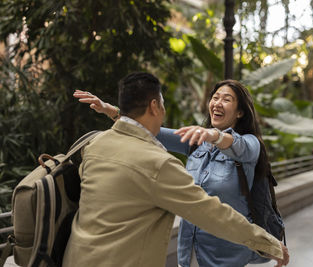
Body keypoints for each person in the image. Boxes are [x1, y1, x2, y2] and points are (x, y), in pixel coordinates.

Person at [71, 76, 289, 267]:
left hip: (226, 255)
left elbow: (239, 145)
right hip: (189, 252)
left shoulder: (250, 145)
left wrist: (214, 135)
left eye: (226, 99)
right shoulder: (197, 142)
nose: (217, 103)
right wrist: (111, 110)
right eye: (215, 97)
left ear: (240, 112)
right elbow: (148, 128)